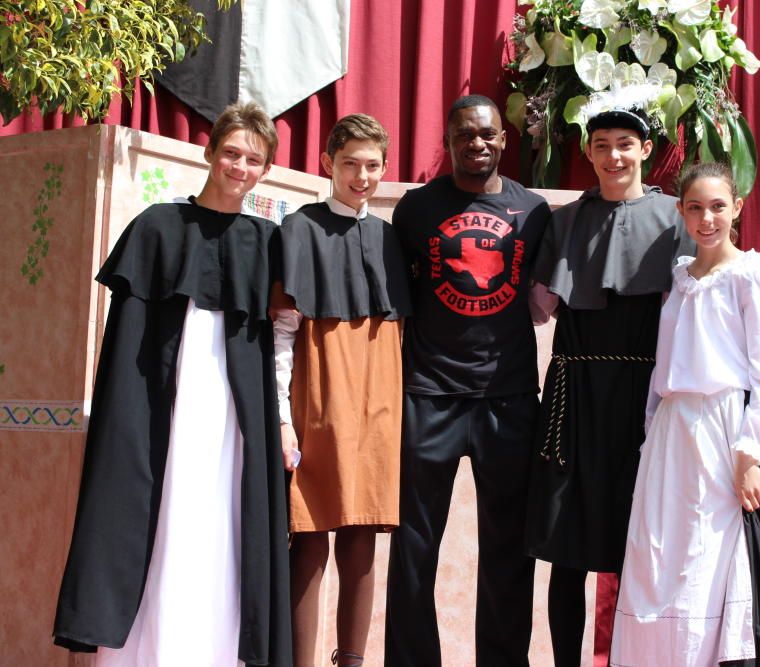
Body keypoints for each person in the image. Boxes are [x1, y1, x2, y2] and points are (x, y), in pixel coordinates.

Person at [53, 101, 292, 666]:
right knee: (158, 516)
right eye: (231, 153)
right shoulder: (157, 227)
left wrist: (279, 420)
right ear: (209, 153)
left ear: (266, 170)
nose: (240, 166)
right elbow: (125, 350)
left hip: (236, 415)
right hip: (162, 406)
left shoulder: (268, 241)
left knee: (223, 527)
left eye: (253, 159)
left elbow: (283, 339)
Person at [524, 104, 694, 667]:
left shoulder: (676, 217)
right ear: (589, 152)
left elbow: (692, 314)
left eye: (625, 144)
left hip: (642, 399)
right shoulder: (565, 219)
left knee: (640, 544)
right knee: (564, 546)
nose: (613, 155)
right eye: (602, 145)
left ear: (645, 150)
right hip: (572, 395)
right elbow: (538, 309)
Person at [610, 161, 760, 666]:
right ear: (680, 212)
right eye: (695, 208)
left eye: (718, 206)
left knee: (709, 558)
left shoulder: (753, 278)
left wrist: (748, 450)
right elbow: (664, 367)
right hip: (673, 435)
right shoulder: (679, 281)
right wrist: (654, 433)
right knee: (659, 559)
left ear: (737, 207)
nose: (707, 218)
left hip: (722, 431)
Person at [384, 94, 550, 666]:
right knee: (413, 547)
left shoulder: (534, 210)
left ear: (504, 139)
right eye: (462, 135)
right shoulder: (415, 209)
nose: (475, 144)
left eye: (485, 134)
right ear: (447, 140)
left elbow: (543, 300)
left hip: (507, 398)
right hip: (428, 393)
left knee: (508, 548)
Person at [270, 113, 411, 667]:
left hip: (380, 395)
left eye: (372, 165)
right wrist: (283, 415)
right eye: (350, 163)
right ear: (327, 163)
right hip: (319, 392)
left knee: (363, 533)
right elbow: (282, 336)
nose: (361, 176)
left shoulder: (389, 236)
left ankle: (351, 660)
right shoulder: (297, 228)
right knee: (308, 535)